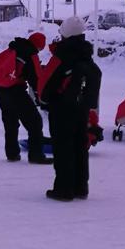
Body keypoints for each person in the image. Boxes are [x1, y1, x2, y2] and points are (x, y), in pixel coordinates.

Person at [40, 16, 101, 202]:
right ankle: (81, 186)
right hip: (81, 109)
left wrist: (46, 100)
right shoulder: (86, 55)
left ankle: (63, 189)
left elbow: (45, 84)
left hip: (61, 109)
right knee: (79, 146)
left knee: (63, 147)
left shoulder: (62, 56)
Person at [0, 32, 49, 163]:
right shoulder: (30, 54)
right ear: (39, 45)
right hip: (16, 90)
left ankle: (12, 153)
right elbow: (36, 79)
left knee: (10, 121)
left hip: (1, 88)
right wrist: (42, 98)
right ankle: (36, 155)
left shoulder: (15, 48)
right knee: (35, 122)